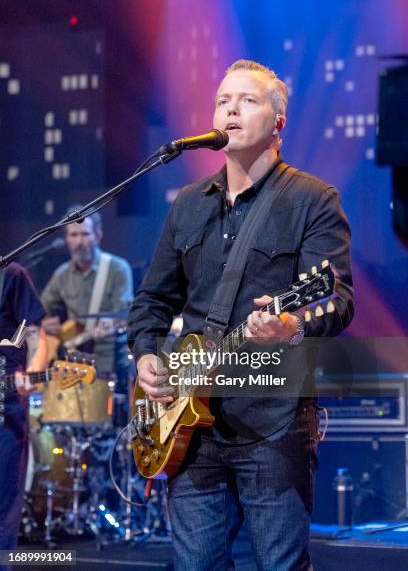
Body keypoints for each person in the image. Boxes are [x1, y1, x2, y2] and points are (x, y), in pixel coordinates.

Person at [127, 59, 354, 570]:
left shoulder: (313, 200)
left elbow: (337, 301)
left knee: (280, 564)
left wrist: (291, 325)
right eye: (223, 100)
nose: (230, 108)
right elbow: (152, 301)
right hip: (189, 425)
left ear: (278, 122)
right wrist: (145, 355)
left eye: (247, 100)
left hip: (271, 422)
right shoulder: (188, 204)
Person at [41, 207, 134, 399]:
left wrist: (113, 324)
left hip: (110, 361)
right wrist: (45, 324)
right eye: (73, 235)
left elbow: (126, 315)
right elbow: (41, 312)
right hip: (73, 364)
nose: (79, 242)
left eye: (85, 234)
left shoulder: (117, 268)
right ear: (66, 238)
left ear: (98, 235)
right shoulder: (61, 275)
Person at [0, 263, 48, 565]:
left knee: (4, 496)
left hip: (6, 403)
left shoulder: (9, 274)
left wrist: (33, 372)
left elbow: (35, 333)